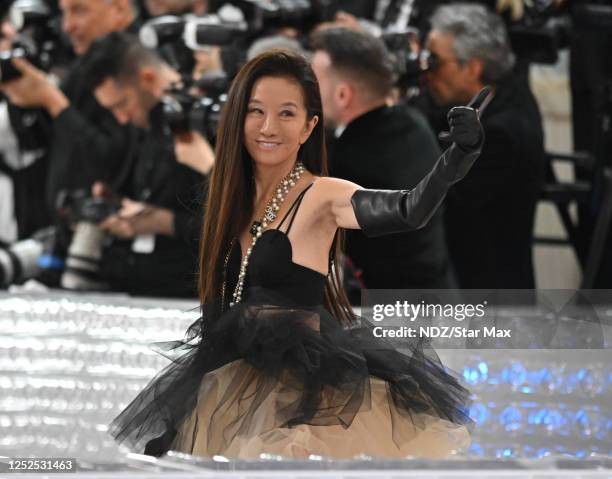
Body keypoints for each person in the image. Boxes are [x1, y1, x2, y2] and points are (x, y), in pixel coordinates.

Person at [110, 50, 487, 459]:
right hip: (227, 380)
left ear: (310, 126)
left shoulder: (322, 194)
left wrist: (457, 158)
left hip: (301, 392)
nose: (269, 127)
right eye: (256, 111)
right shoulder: (229, 200)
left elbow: (409, 209)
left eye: (286, 114)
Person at [311, 28, 451, 292]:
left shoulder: (345, 161)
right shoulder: (415, 125)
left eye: (314, 82)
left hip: (390, 318)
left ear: (343, 95)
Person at [76, 32, 212, 297]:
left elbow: (244, 223)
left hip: (194, 300)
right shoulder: (148, 123)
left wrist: (166, 223)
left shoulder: (202, 120)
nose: (122, 118)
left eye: (122, 104)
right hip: (144, 289)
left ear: (147, 79)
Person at [423, 3, 546, 289]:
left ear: (473, 67)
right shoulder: (498, 96)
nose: (427, 73)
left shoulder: (502, 133)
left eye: (436, 62)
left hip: (484, 304)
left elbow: (441, 205)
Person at [0, 0, 139, 212]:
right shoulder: (85, 60)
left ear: (119, 9)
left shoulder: (136, 67)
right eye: (65, 13)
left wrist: (51, 100)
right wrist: (28, 97)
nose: (67, 26)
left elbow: (113, 164)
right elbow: (42, 140)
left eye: (79, 10)